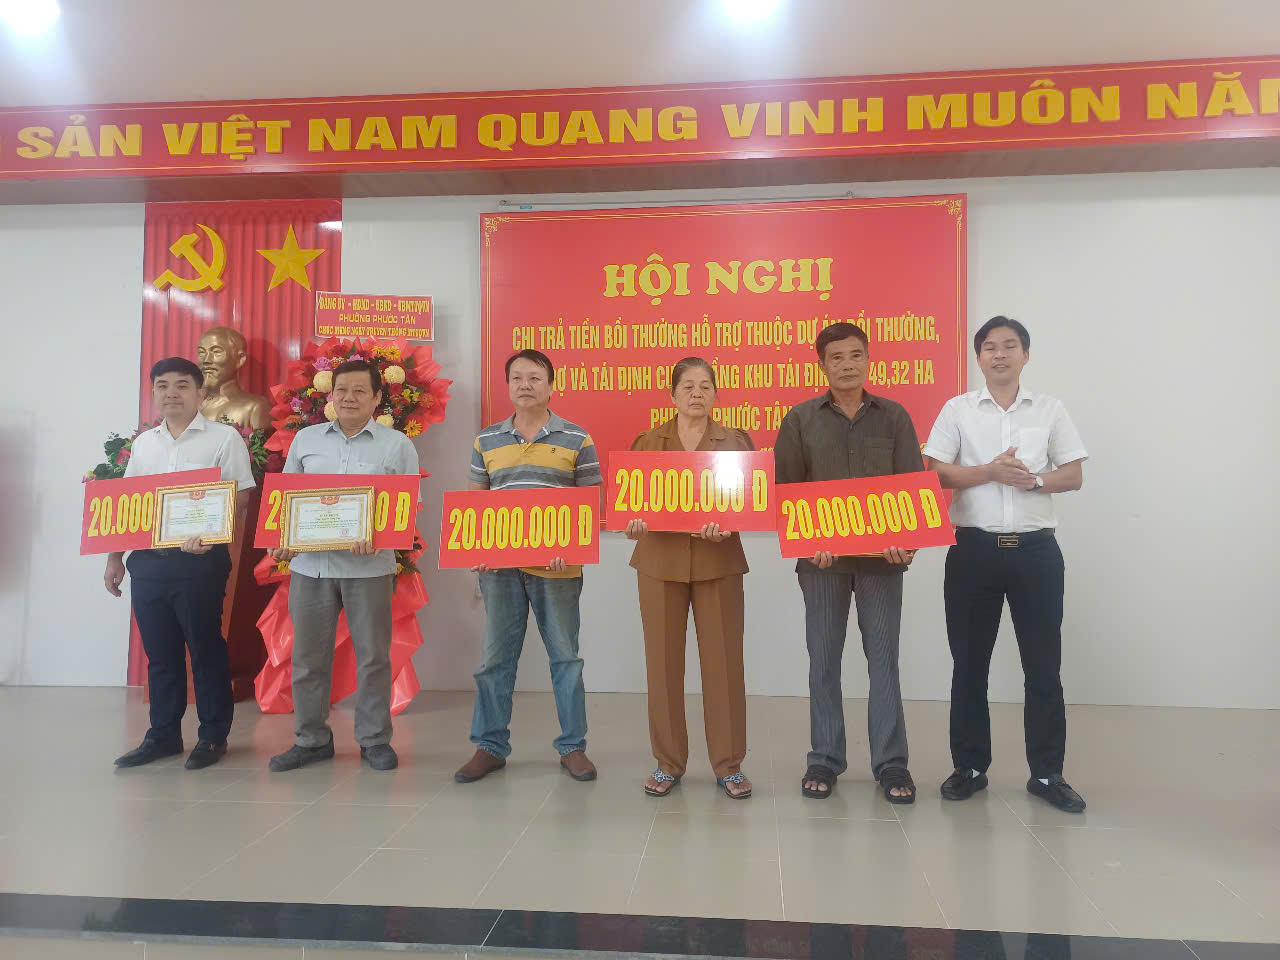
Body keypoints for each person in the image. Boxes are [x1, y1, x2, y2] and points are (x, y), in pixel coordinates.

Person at [923, 316, 1088, 813]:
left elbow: (1073, 475)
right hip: (973, 551)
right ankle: (969, 767)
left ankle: (1048, 774)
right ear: (978, 357)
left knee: (1043, 667)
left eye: (1009, 346)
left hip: (1036, 553)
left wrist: (1032, 481)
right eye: (990, 347)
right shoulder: (957, 409)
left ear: (1025, 355)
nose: (1000, 354)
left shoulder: (1050, 409)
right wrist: (989, 472)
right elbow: (934, 472)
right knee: (969, 665)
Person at [774, 322, 923, 804]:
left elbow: (911, 489)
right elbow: (786, 493)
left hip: (882, 563)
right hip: (823, 565)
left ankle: (891, 763)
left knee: (884, 661)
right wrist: (807, 542)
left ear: (868, 359)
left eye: (855, 355)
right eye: (836, 357)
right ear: (822, 365)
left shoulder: (895, 417)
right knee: (823, 660)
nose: (847, 365)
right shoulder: (800, 419)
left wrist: (908, 543)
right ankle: (824, 757)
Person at [455, 349, 603, 784]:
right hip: (500, 571)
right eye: (517, 377)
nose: (525, 384)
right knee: (495, 661)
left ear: (551, 386)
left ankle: (573, 747)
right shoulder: (486, 440)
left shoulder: (577, 438)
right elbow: (475, 506)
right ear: (508, 387)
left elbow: (591, 506)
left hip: (557, 570)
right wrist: (477, 550)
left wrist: (569, 547)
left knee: (566, 659)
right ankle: (489, 746)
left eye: (535, 377)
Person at [267, 359, 420, 773]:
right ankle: (311, 739)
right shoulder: (306, 440)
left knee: (373, 658)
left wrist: (380, 535)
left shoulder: (397, 446)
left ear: (376, 397)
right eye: (342, 390)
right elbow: (286, 502)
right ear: (330, 395)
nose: (349, 398)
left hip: (369, 569)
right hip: (311, 568)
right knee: (308, 658)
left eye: (359, 391)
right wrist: (282, 541)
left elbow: (407, 509)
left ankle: (374, 740)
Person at [106, 357, 254, 770]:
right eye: (163, 385)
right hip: (148, 563)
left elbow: (241, 495)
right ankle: (163, 735)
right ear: (153, 392)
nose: (171, 393)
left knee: (205, 649)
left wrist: (209, 533)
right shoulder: (144, 444)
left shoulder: (224, 438)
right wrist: (115, 558)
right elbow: (128, 505)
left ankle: (213, 736)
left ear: (201, 393)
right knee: (160, 654)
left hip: (199, 561)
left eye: (182, 385)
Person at [623, 357, 754, 800]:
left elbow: (749, 503)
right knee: (662, 666)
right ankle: (668, 763)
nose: (697, 393)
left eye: (705, 386)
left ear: (716, 393)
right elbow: (631, 506)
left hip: (719, 563)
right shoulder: (647, 442)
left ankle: (729, 765)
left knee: (724, 666)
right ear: (672, 394)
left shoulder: (735, 442)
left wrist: (730, 524)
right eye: (688, 386)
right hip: (659, 563)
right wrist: (633, 524)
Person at [196, 326, 272, 430]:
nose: (206, 360)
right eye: (202, 352)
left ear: (240, 359)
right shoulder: (190, 407)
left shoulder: (256, 408)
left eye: (216, 352)